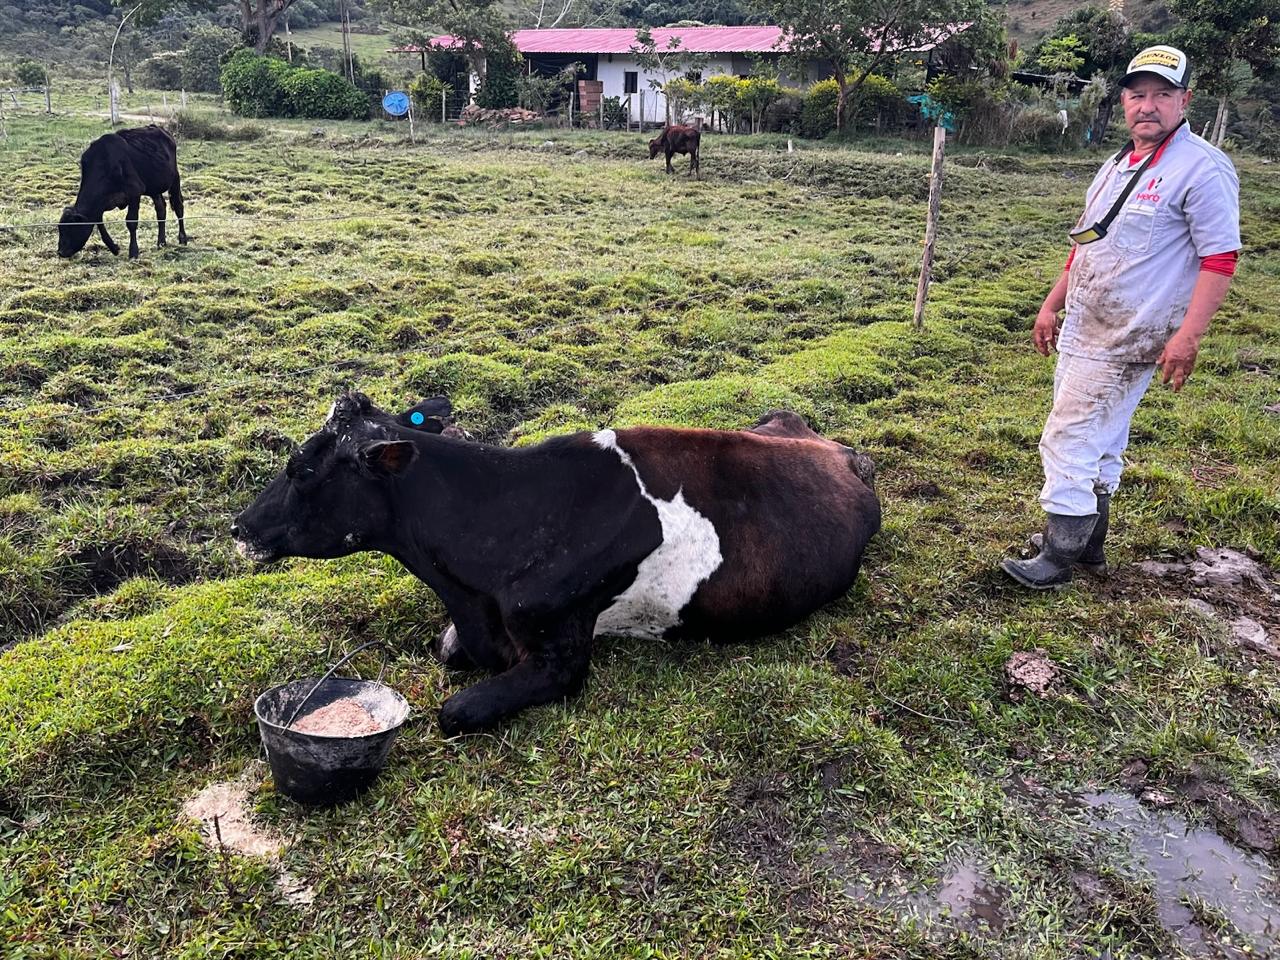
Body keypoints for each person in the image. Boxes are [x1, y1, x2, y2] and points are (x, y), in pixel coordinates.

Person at [1003, 44, 1241, 589]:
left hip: (1130, 333)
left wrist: (1188, 336)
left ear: (1185, 100)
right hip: (1087, 324)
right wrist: (1051, 303)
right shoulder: (1117, 164)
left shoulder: (1201, 168)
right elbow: (1088, 244)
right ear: (1124, 101)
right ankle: (1088, 549)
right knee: (1103, 438)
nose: (1148, 106)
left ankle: (1057, 557)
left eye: (1162, 95)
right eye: (1138, 95)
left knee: (1067, 437)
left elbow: (1220, 257)